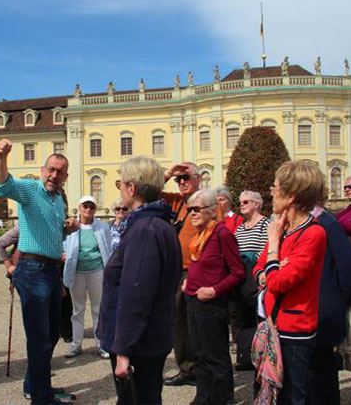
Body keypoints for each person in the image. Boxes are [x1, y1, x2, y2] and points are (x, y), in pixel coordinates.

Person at [0, 138, 78, 405]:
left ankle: (36, 385)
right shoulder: (30, 189)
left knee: (52, 334)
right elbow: (4, 184)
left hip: (51, 271)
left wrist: (67, 229)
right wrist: (1, 157)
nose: (54, 175)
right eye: (51, 169)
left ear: (66, 176)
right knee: (39, 336)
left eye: (60, 171)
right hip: (32, 270)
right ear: (43, 171)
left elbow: (50, 232)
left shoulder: (57, 200)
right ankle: (41, 397)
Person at [98, 156, 182, 405]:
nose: (120, 189)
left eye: (120, 184)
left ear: (132, 188)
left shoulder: (145, 229)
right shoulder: (157, 223)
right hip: (148, 337)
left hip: (139, 344)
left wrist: (124, 350)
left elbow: (136, 295)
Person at [253, 160, 328, 405]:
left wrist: (274, 248)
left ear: (292, 196)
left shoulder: (313, 233)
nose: (271, 192)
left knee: (293, 395)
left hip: (294, 329)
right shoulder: (282, 228)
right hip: (271, 323)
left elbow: (280, 282)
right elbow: (259, 268)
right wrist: (270, 268)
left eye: (276, 187)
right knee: (269, 390)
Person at [183, 188, 245, 405]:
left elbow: (237, 272)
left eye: (196, 209)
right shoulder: (200, 235)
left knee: (216, 356)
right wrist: (188, 281)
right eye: (190, 209)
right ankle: (203, 397)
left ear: (211, 210)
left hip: (211, 304)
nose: (192, 213)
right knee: (199, 354)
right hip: (192, 300)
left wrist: (215, 290)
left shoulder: (222, 234)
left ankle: (222, 400)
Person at [309, 204, 351, 405]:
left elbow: (349, 266)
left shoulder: (326, 223)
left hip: (323, 311)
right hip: (311, 311)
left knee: (322, 373)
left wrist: (341, 302)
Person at [161, 162, 202, 387]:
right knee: (178, 321)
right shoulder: (177, 202)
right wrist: (168, 174)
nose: (182, 182)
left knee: (197, 322)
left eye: (186, 177)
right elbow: (150, 192)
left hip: (195, 269)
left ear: (199, 178)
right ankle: (187, 368)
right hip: (177, 270)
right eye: (179, 179)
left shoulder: (207, 202)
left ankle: (200, 369)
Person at [63, 196, 112, 359]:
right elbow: (63, 243)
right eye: (85, 206)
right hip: (76, 271)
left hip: (96, 271)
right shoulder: (71, 225)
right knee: (77, 310)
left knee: (98, 309)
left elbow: (107, 247)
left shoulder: (102, 227)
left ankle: (101, 344)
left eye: (91, 206)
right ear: (79, 207)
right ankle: (76, 345)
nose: (88, 209)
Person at [231, 190, 270, 360]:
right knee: (241, 316)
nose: (242, 204)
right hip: (242, 276)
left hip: (256, 276)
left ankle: (260, 353)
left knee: (257, 316)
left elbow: (265, 251)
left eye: (246, 202)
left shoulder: (265, 224)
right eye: (240, 202)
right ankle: (245, 354)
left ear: (257, 204)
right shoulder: (239, 228)